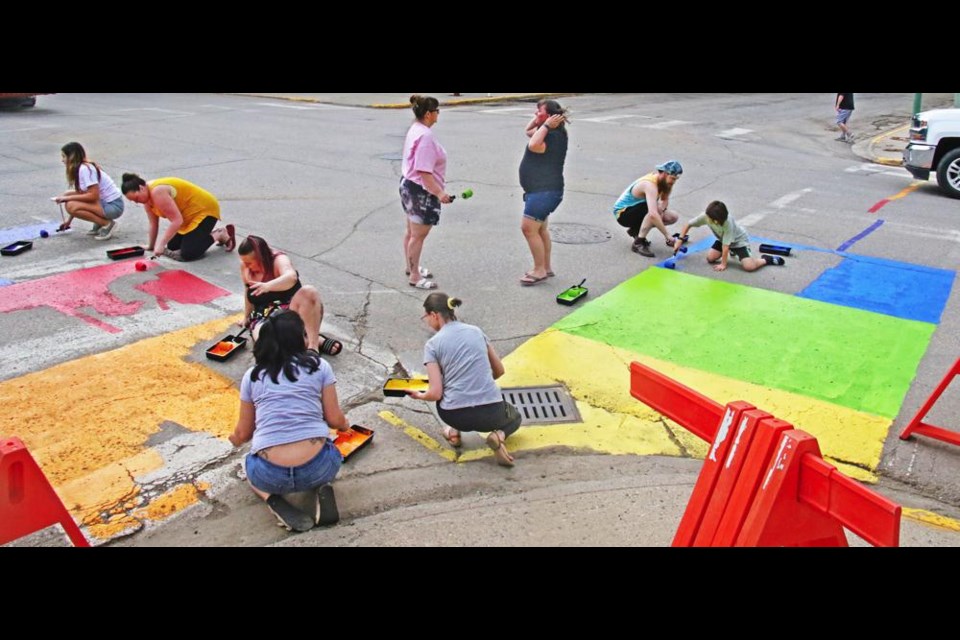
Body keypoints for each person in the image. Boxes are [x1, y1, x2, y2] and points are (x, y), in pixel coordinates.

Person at [228, 309, 349, 531]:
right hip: (319, 467)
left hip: (270, 475)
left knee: (248, 465)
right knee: (331, 448)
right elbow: (334, 419)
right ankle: (321, 485)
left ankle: (274, 501)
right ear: (298, 340)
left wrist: (233, 439)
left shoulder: (253, 376)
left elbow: (243, 434)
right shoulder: (319, 367)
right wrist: (345, 425)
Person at [408, 293, 522, 467]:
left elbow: (436, 393)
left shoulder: (432, 344)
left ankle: (453, 432)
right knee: (515, 417)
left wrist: (419, 395)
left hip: (455, 415)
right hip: (491, 414)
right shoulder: (476, 332)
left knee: (450, 389)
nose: (427, 322)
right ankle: (498, 436)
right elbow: (499, 370)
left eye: (426, 317)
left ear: (434, 315)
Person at [238, 234, 342, 356]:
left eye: (250, 263)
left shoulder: (278, 260)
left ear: (261, 258)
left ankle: (313, 347)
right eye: (244, 262)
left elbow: (291, 277)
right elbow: (248, 292)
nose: (246, 266)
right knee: (267, 347)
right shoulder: (244, 267)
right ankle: (312, 341)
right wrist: (246, 317)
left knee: (309, 291)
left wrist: (268, 286)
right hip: (263, 316)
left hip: (290, 310)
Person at [120, 173, 235, 261]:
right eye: (133, 201)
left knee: (188, 254)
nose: (137, 202)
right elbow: (153, 223)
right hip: (186, 216)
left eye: (136, 198)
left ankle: (219, 234)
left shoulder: (157, 192)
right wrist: (151, 246)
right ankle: (199, 238)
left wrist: (160, 245)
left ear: (141, 188)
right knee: (173, 246)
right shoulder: (146, 199)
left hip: (204, 211)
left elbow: (176, 221)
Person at [400, 94, 451, 290]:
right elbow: (424, 170)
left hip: (409, 184)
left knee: (412, 233)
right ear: (429, 114)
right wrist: (439, 193)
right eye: (437, 111)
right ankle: (414, 275)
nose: (439, 114)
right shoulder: (426, 136)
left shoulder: (416, 128)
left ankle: (411, 266)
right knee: (418, 235)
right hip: (420, 191)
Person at [518, 99, 569, 285]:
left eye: (539, 111)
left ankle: (539, 270)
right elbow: (528, 132)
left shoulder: (553, 136)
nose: (535, 114)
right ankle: (546, 267)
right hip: (541, 191)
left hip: (544, 192)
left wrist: (546, 124)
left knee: (528, 229)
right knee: (540, 230)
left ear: (549, 117)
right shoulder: (549, 132)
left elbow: (533, 145)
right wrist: (540, 120)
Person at [675, 200, 784, 273]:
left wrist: (723, 264)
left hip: (739, 242)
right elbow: (688, 225)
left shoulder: (728, 223)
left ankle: (766, 259)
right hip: (723, 240)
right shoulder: (706, 216)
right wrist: (679, 240)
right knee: (710, 258)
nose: (706, 218)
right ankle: (733, 253)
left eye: (709, 219)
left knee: (749, 267)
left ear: (716, 221)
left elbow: (726, 247)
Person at [53, 142, 125, 240]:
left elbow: (93, 196)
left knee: (70, 204)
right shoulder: (81, 168)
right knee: (67, 194)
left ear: (72, 157)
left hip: (113, 206)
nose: (62, 160)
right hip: (105, 203)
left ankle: (107, 224)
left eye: (64, 156)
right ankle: (100, 222)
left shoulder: (85, 169)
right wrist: (68, 221)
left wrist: (66, 199)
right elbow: (85, 194)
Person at [611, 160, 683, 258]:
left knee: (672, 217)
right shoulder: (650, 185)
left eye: (675, 179)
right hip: (623, 214)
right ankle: (638, 243)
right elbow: (653, 214)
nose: (673, 182)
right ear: (665, 174)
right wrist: (667, 236)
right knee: (655, 211)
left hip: (637, 210)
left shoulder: (665, 182)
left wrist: (661, 211)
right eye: (672, 178)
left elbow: (664, 200)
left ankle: (636, 230)